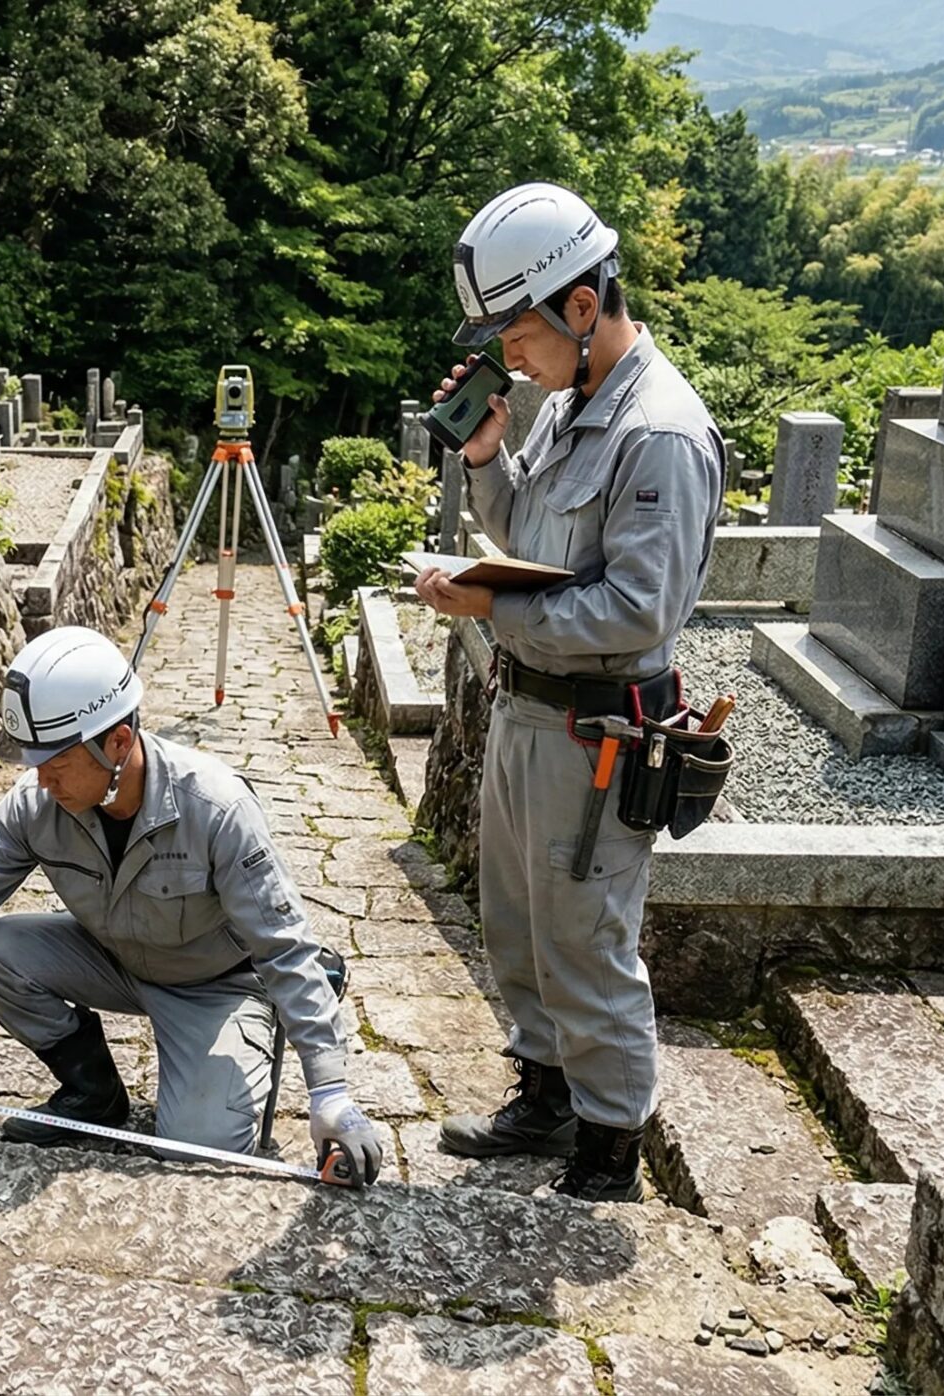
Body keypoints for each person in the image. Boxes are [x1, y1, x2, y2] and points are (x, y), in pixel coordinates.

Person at [0, 625, 384, 1185]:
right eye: (33, 762)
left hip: (216, 983)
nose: (41, 781)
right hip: (115, 959)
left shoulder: (217, 809)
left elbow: (284, 946)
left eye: (56, 762)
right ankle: (93, 1096)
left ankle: (269, 1020)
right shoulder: (36, 805)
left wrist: (329, 1093)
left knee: (198, 1150)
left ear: (118, 742)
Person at [411, 182, 723, 1202]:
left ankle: (608, 1149)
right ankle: (545, 1097)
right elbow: (531, 541)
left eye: (519, 335)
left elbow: (638, 609)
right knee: (518, 921)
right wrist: (486, 458)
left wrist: (491, 608)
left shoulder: (659, 432)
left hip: (596, 731)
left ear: (582, 306)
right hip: (529, 710)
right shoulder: (569, 404)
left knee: (586, 937)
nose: (511, 358)